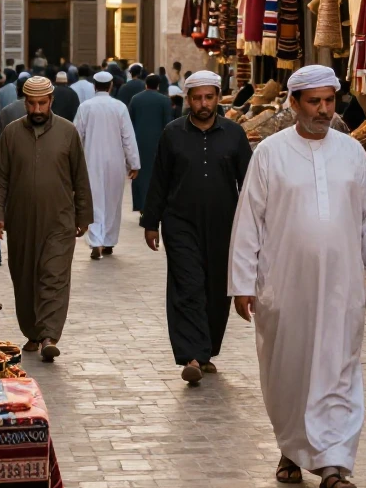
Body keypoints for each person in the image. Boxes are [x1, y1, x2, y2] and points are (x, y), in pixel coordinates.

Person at [229, 64, 366, 488]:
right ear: (293, 103)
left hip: (341, 285)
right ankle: (291, 447)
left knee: (339, 368)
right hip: (283, 285)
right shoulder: (269, 153)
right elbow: (249, 222)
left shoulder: (352, 153)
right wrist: (242, 283)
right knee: (287, 371)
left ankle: (334, 465)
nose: (324, 110)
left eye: (330, 101)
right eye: (314, 102)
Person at [141, 70, 252, 384]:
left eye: (209, 97)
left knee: (217, 290)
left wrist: (258, 226)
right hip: (179, 223)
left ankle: (205, 352)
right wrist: (151, 222)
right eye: (197, 98)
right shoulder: (172, 133)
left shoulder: (234, 134)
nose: (203, 104)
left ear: (217, 97)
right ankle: (192, 356)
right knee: (188, 286)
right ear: (187, 100)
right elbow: (159, 179)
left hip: (224, 225)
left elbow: (250, 183)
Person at [0, 76, 93, 361]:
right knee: (24, 277)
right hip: (20, 220)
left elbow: (80, 178)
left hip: (59, 219)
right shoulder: (11, 133)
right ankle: (33, 333)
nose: (36, 109)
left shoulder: (68, 132)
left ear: (51, 102)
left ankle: (49, 336)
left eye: (42, 103)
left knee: (54, 275)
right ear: (25, 102)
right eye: (31, 103)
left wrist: (83, 214)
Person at [74, 70, 140, 259]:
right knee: (113, 200)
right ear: (111, 86)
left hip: (90, 160)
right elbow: (128, 137)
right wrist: (133, 163)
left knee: (94, 200)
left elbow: (76, 136)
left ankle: (96, 241)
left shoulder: (85, 107)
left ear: (94, 86)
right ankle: (109, 241)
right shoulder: (119, 107)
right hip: (115, 161)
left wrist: (73, 163)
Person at [129, 74, 172, 213]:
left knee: (141, 175)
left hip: (139, 142)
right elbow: (168, 123)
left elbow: (130, 122)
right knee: (157, 174)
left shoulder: (136, 99)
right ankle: (155, 205)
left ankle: (141, 205)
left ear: (145, 84)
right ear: (158, 85)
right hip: (158, 142)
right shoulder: (164, 100)